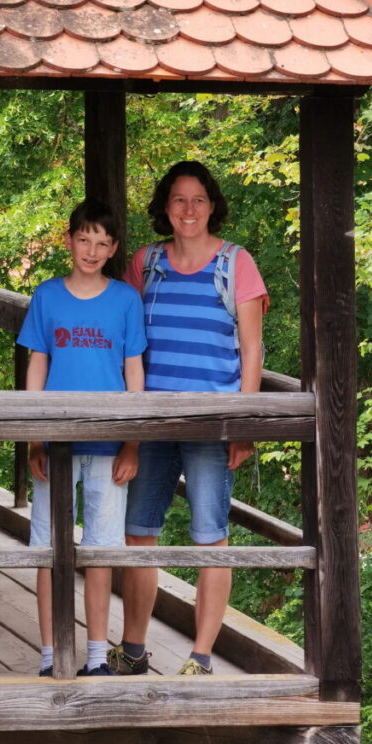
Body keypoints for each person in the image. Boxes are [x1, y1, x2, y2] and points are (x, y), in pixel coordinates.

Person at [108, 161, 267, 677]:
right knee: (138, 536)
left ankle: (200, 657)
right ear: (165, 208)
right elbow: (127, 340)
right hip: (150, 422)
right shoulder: (145, 264)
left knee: (210, 538)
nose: (189, 210)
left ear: (213, 205)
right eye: (179, 199)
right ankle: (133, 651)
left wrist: (242, 423)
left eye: (199, 200)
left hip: (210, 424)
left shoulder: (235, 264)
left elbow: (252, 349)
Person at [17, 197, 146, 677]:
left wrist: (133, 441)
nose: (91, 250)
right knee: (50, 549)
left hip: (110, 445)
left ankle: (95, 656)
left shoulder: (125, 300)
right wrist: (34, 435)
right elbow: (37, 363)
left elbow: (134, 371)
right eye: (84, 239)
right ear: (69, 240)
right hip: (55, 443)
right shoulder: (48, 296)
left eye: (102, 242)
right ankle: (51, 655)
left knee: (101, 550)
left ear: (113, 249)